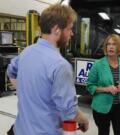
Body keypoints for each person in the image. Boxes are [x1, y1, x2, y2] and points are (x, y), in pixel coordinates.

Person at [7, 4, 89, 135]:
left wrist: (26, 92)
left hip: (20, 130)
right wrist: (84, 119)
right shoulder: (60, 65)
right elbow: (69, 113)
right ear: (57, 29)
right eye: (69, 29)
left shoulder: (26, 52)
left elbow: (11, 71)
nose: (71, 34)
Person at [87, 34, 120, 135]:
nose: (110, 47)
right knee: (103, 132)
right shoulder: (98, 64)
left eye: (114, 44)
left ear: (119, 47)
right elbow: (90, 86)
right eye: (108, 44)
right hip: (101, 107)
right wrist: (106, 89)